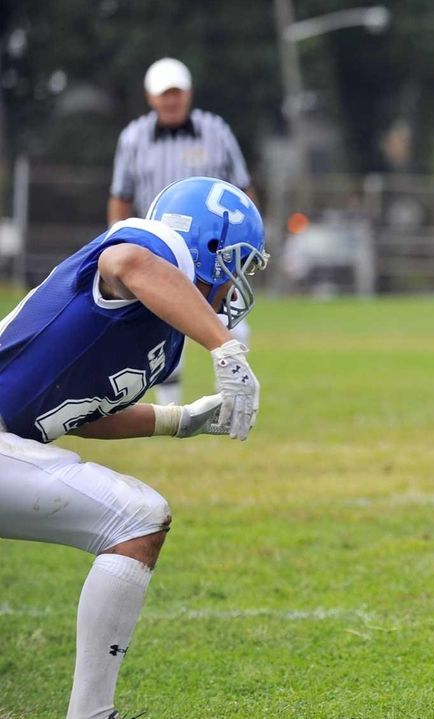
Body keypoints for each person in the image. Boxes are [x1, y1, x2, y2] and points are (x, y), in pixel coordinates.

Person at [0, 176, 267, 719]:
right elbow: (126, 263)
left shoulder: (165, 338)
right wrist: (224, 346)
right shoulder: (152, 248)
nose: (236, 284)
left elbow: (77, 412)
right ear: (211, 249)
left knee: (137, 518)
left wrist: (177, 419)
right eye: (238, 261)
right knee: (136, 518)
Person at [109, 57, 256, 406]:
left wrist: (250, 237)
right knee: (162, 322)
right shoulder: (133, 138)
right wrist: (116, 241)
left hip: (211, 246)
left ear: (188, 93)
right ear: (150, 97)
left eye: (176, 93)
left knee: (230, 320)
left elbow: (243, 189)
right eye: (164, 94)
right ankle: (169, 405)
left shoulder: (216, 131)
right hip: (155, 245)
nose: (171, 101)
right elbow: (121, 196)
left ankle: (237, 391)